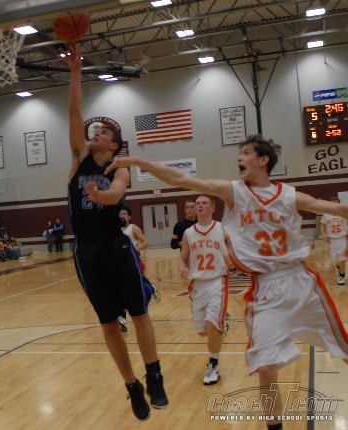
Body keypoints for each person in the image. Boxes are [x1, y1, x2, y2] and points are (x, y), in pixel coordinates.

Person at [106, 134, 348, 429]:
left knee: (344, 347)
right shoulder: (234, 192)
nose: (239, 157)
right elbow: (180, 178)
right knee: (265, 366)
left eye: (246, 152)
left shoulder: (288, 195)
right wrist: (137, 161)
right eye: (239, 152)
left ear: (263, 160)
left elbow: (336, 209)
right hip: (265, 288)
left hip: (300, 281)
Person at [63, 44, 167, 421]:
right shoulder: (79, 158)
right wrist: (76, 71)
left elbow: (116, 194)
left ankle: (154, 375)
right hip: (86, 250)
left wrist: (100, 195)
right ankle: (132, 385)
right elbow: (74, 112)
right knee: (108, 323)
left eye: (104, 131)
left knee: (138, 312)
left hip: (115, 244)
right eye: (96, 129)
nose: (96, 132)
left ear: (114, 144)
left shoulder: (120, 167)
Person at [177, 195, 230, 385]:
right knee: (202, 331)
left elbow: (233, 251)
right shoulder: (189, 233)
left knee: (211, 324)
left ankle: (213, 365)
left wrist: (233, 259)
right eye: (197, 203)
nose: (199, 206)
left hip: (217, 281)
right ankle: (223, 325)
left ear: (213, 208)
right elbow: (183, 257)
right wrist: (182, 267)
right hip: (198, 284)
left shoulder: (223, 229)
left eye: (204, 203)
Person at [117, 205, 160, 333]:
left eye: (125, 214)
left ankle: (151, 288)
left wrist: (135, 249)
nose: (122, 216)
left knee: (133, 287)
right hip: (119, 264)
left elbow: (145, 242)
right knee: (121, 290)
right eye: (120, 214)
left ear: (129, 216)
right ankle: (123, 319)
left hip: (134, 262)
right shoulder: (114, 229)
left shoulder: (133, 228)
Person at [319, 197, 347, 285]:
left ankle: (342, 276)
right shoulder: (326, 215)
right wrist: (324, 235)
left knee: (341, 258)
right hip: (331, 240)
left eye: (335, 203)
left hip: (342, 238)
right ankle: (340, 269)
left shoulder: (344, 213)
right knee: (334, 261)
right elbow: (322, 225)